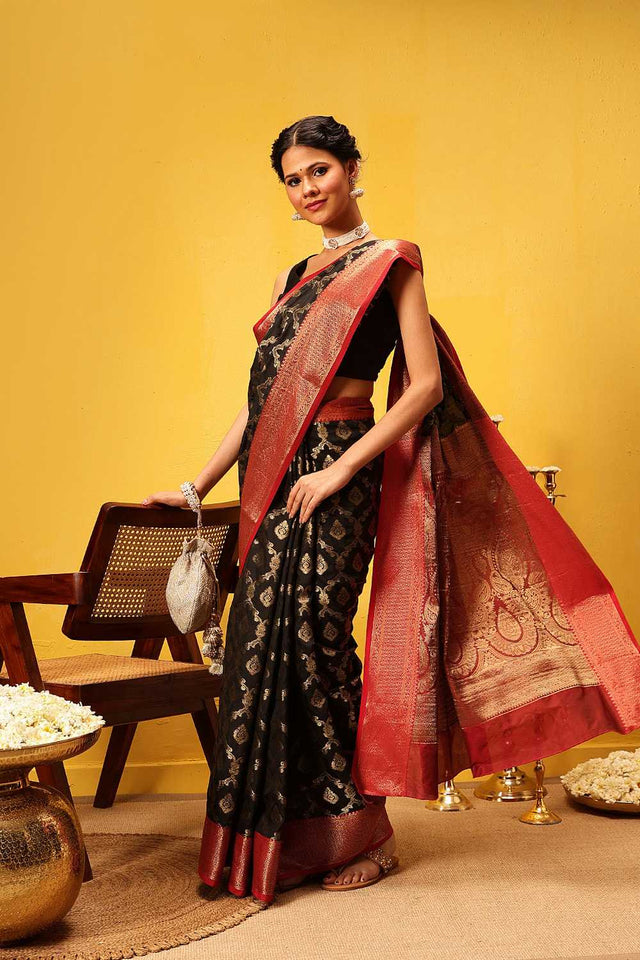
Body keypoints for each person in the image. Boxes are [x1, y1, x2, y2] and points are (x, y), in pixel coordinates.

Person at [143, 115, 640, 905]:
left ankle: (363, 832)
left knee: (318, 643)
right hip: (276, 476)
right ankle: (279, 840)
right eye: (293, 180)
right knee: (258, 647)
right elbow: (260, 401)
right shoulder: (291, 277)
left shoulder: (390, 263)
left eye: (319, 170)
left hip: (342, 470)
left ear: (350, 169)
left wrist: (341, 468)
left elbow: (425, 386)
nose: (308, 189)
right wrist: (197, 485)